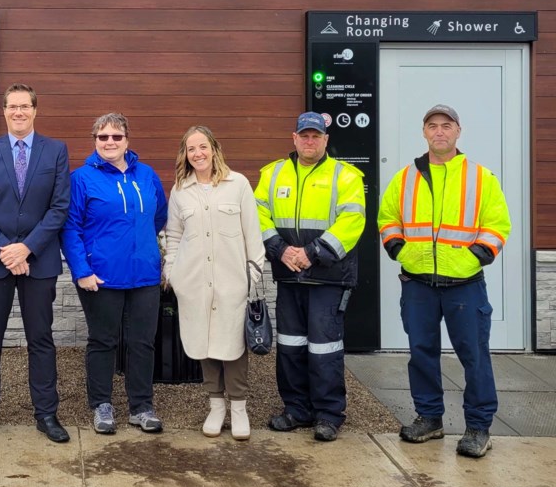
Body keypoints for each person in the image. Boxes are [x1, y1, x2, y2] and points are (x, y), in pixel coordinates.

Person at [378, 105, 511, 458]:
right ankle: (430, 418)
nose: (439, 132)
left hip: (464, 284)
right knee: (421, 353)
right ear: (424, 132)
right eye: (432, 126)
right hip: (418, 282)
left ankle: (479, 427)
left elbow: (497, 225)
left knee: (475, 357)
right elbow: (388, 217)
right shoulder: (406, 177)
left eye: (446, 126)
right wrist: (398, 249)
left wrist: (473, 258)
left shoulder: (481, 177)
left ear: (457, 132)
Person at [0, 83, 71, 444]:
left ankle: (46, 413)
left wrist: (26, 248)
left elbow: (59, 207)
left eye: (25, 106)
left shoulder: (55, 151)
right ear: (5, 111)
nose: (19, 112)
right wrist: (5, 250)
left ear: (35, 110)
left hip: (38, 261)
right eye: (12, 107)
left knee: (41, 339)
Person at [254, 111, 366, 442]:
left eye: (316, 136)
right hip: (289, 276)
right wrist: (279, 249)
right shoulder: (273, 173)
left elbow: (352, 222)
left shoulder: (345, 176)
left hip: (328, 278)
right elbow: (258, 213)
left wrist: (310, 253)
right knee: (290, 345)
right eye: (304, 135)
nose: (309, 141)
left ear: (326, 140)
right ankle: (296, 409)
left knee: (325, 348)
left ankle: (329, 414)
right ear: (294, 138)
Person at [61, 113, 168, 435]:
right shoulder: (81, 178)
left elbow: (158, 215)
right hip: (101, 277)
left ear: (127, 141)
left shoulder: (146, 175)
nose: (109, 142)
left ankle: (141, 406)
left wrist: (144, 249)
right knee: (103, 341)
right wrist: (82, 270)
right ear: (94, 141)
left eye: (116, 137)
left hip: (145, 275)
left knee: (142, 342)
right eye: (103, 137)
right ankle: (102, 405)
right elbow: (70, 228)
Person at [163, 126, 266, 440]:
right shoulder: (181, 190)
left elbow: (252, 234)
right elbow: (175, 236)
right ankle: (216, 406)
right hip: (194, 282)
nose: (198, 154)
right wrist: (173, 273)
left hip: (232, 281)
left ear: (214, 149)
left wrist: (253, 277)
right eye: (191, 149)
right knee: (204, 344)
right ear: (185, 154)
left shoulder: (238, 185)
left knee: (233, 347)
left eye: (203, 147)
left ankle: (239, 408)